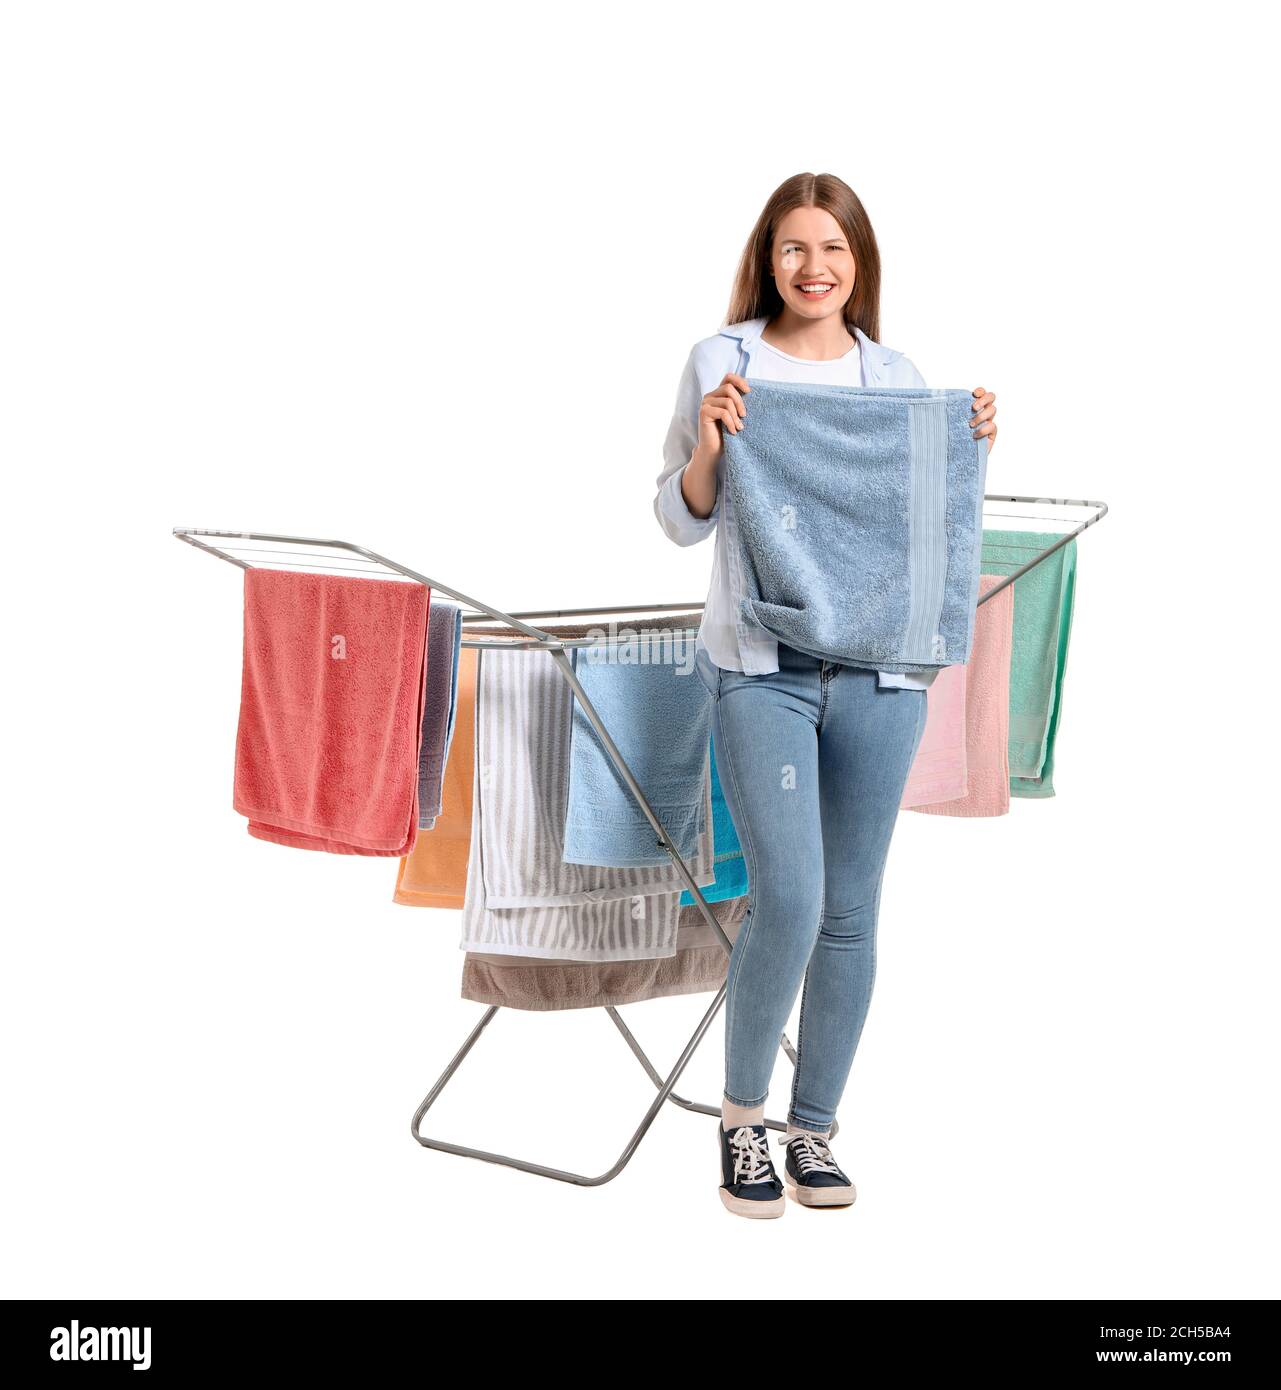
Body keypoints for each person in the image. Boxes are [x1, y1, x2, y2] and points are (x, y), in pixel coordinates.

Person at [653, 172, 998, 1218]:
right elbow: (678, 518)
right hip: (763, 662)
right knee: (790, 897)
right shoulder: (725, 358)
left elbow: (922, 521)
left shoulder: (897, 375)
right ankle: (743, 1122)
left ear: (860, 262)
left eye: (834, 249)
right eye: (795, 248)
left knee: (851, 909)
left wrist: (972, 443)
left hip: (883, 671)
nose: (815, 268)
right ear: (769, 257)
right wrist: (714, 441)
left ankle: (816, 1131)